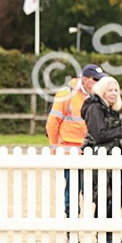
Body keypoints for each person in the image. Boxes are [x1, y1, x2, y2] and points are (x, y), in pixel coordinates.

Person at [83, 76, 122, 243]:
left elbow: (112, 133)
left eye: (116, 90)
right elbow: (99, 135)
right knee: (104, 199)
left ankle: (110, 235)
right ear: (102, 91)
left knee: (117, 197)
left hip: (112, 159)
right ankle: (102, 238)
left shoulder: (111, 110)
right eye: (110, 90)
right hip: (101, 159)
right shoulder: (94, 108)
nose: (114, 93)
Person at [46, 63, 105, 217]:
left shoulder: (99, 95)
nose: (99, 83)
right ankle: (71, 226)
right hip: (71, 151)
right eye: (95, 79)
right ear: (84, 80)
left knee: (96, 190)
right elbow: (53, 122)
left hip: (92, 151)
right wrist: (54, 148)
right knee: (72, 191)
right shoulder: (66, 94)